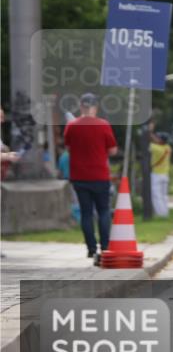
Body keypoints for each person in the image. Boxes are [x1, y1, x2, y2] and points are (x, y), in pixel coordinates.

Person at [63, 93, 118, 264]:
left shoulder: (72, 126)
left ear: (81, 106)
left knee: (86, 213)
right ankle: (106, 247)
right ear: (95, 107)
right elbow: (113, 150)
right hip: (100, 175)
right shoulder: (103, 125)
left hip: (79, 176)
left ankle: (91, 249)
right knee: (103, 211)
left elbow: (68, 147)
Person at [149, 130, 172, 218]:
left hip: (156, 175)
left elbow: (149, 140)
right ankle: (165, 213)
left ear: (161, 140)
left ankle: (160, 214)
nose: (156, 138)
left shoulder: (155, 148)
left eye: (158, 137)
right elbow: (154, 140)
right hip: (165, 175)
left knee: (156, 196)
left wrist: (149, 130)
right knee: (164, 195)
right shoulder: (168, 148)